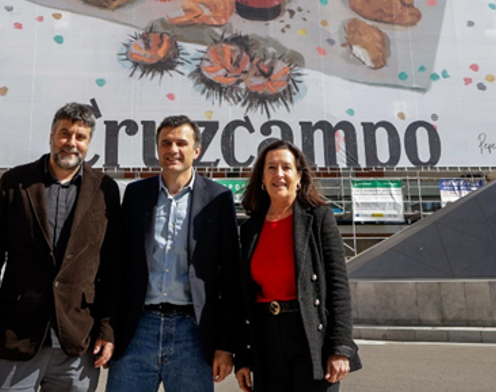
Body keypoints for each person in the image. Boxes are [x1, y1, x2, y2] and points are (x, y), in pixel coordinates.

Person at [0, 102, 121, 392]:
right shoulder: (15, 183)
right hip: (15, 335)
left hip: (78, 340)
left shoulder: (105, 190)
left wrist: (108, 329)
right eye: (65, 134)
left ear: (89, 144)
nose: (71, 143)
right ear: (52, 135)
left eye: (80, 137)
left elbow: (113, 267)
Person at [106, 115, 242, 392]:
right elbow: (117, 268)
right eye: (166, 143)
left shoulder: (218, 199)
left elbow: (230, 277)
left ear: (196, 150)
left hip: (192, 334)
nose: (173, 150)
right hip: (137, 330)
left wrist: (226, 345)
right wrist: (108, 330)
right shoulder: (135, 194)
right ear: (157, 149)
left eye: (182, 142)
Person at [234, 140, 360, 392]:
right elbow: (242, 297)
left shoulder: (319, 218)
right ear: (261, 177)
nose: (278, 174)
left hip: (311, 336)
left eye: (286, 168)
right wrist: (243, 357)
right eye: (271, 168)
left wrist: (340, 348)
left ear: (299, 176)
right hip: (266, 338)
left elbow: (337, 286)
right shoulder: (249, 229)